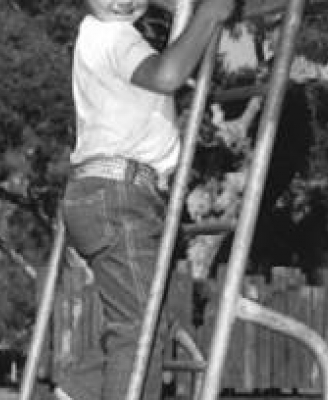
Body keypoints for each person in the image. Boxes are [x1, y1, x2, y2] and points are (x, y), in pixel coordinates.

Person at [58, 0, 234, 399]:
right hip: (119, 196)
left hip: (107, 193)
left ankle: (77, 391)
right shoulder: (115, 37)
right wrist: (210, 13)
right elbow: (168, 75)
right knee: (140, 331)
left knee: (142, 317)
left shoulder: (95, 34)